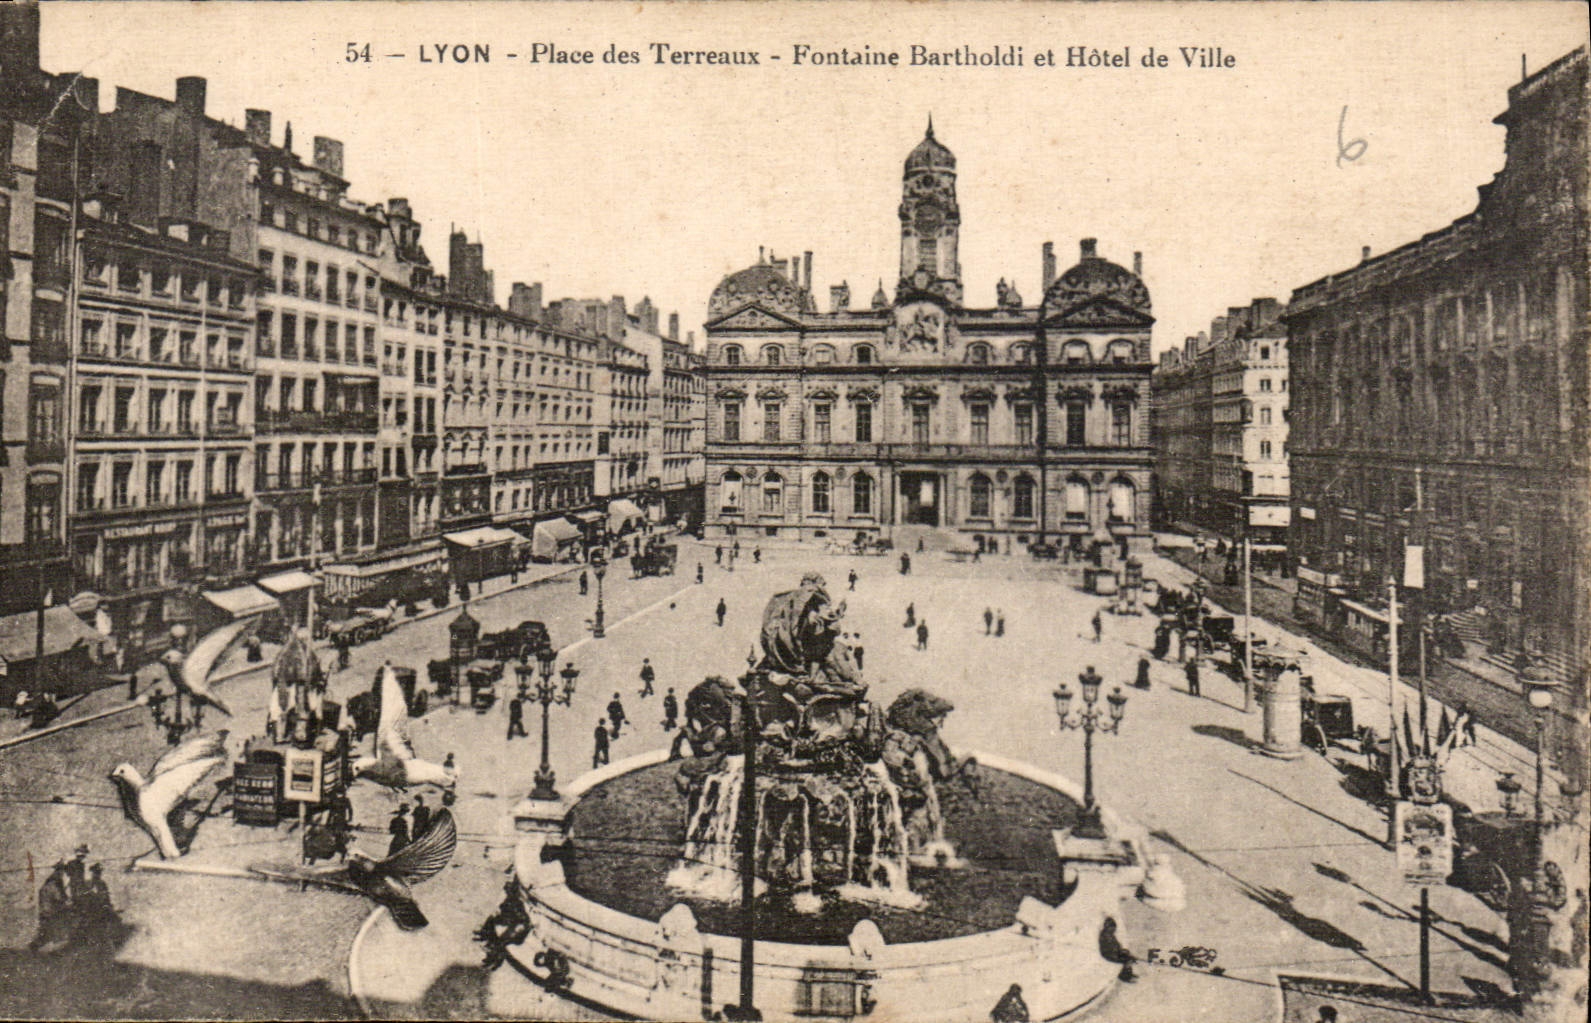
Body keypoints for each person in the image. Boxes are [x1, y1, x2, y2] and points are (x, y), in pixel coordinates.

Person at [30, 861, 72, 951]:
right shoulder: (53, 884)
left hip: (46, 912)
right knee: (50, 933)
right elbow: (58, 897)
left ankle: (34, 948)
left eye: (63, 871)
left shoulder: (50, 882)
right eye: (61, 871)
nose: (62, 873)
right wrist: (68, 901)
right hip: (50, 913)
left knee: (45, 934)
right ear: (57, 871)